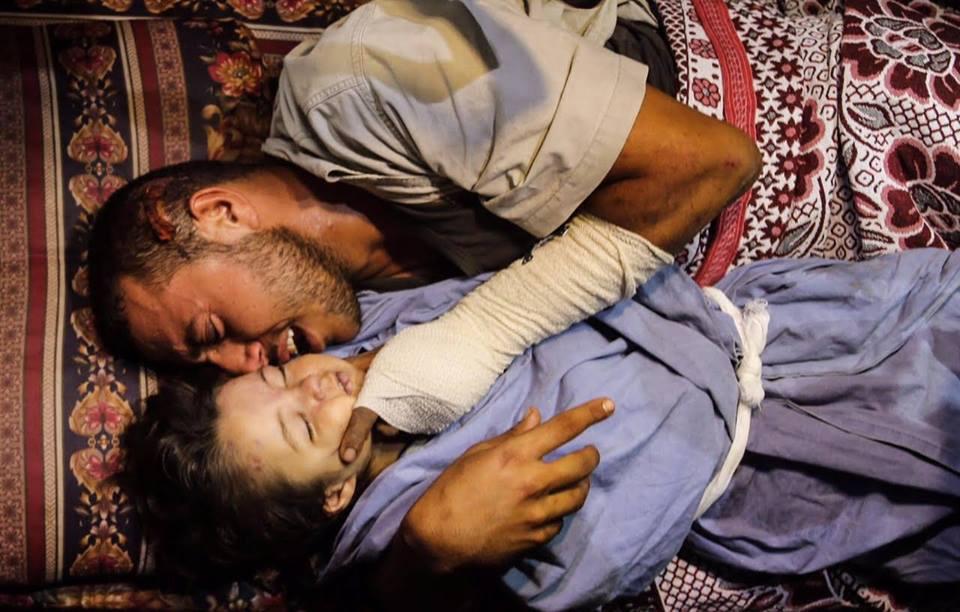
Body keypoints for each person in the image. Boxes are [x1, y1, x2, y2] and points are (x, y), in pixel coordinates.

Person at [121, 249, 960, 609]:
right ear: (337, 493)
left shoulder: (372, 334)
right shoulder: (429, 525)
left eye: (277, 378)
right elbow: (597, 546)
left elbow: (535, 282)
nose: (316, 384)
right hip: (751, 448)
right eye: (305, 429)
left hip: (762, 325)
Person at [87, 0, 760, 450]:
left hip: (760, 98)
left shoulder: (364, 81)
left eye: (211, 333)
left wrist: (481, 333)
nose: (242, 366)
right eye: (211, 367)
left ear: (220, 213)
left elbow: (710, 163)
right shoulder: (367, 317)